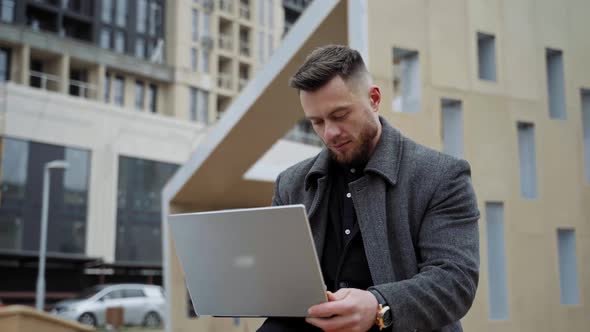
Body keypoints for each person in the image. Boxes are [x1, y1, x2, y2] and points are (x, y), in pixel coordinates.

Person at [258, 45, 480, 332]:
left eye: (339, 115)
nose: (330, 133)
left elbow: (455, 282)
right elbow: (282, 280)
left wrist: (379, 306)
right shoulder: (291, 183)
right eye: (317, 122)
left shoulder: (442, 176)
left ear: (374, 99)